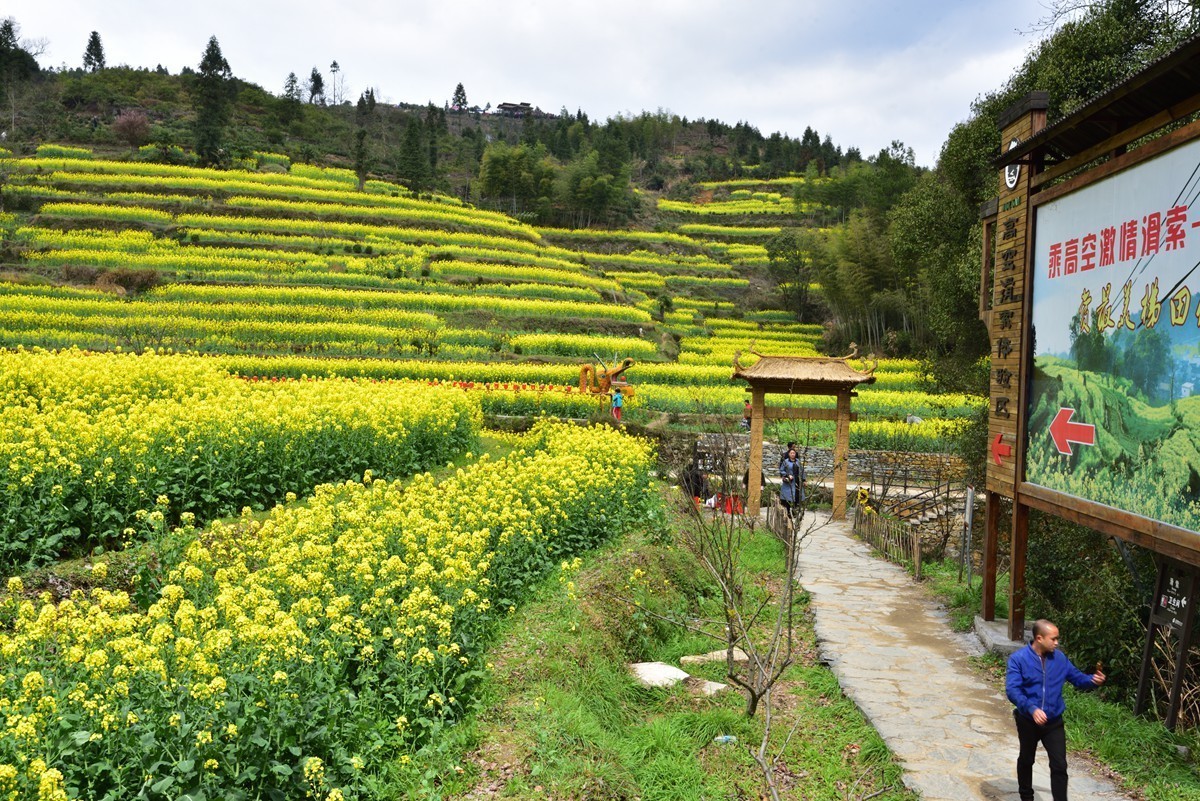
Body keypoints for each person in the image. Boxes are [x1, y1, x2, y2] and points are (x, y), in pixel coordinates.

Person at [1005, 619, 1105, 801]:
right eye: (1054, 639)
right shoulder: (1018, 659)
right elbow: (1013, 690)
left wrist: (1092, 680)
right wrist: (1032, 709)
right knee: (1026, 759)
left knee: (1059, 765)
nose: (1057, 643)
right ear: (1039, 638)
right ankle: (1026, 797)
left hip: (1053, 722)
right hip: (1028, 720)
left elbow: (1077, 678)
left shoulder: (1059, 659)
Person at [779, 447, 803, 515]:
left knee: (796, 496)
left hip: (797, 481)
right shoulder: (785, 461)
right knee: (788, 497)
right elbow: (781, 470)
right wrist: (787, 475)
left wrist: (804, 480)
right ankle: (788, 511)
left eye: (794, 453)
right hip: (789, 482)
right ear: (789, 454)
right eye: (791, 453)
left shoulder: (798, 461)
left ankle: (794, 510)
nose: (792, 454)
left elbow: (802, 471)